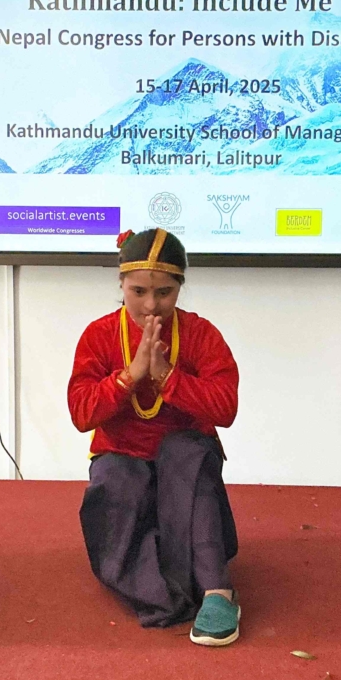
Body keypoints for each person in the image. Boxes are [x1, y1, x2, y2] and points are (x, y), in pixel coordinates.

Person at [67, 228, 241, 645]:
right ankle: (164, 594)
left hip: (184, 454)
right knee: (116, 479)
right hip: (121, 453)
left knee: (188, 457)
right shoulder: (99, 335)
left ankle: (218, 593)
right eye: (138, 291)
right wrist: (129, 377)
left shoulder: (200, 334)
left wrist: (166, 377)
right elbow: (81, 413)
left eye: (164, 292)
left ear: (180, 286)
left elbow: (225, 409)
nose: (150, 305)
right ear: (121, 284)